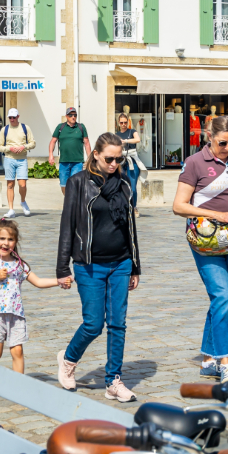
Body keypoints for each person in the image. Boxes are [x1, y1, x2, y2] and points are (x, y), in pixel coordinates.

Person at [172, 116, 228, 384]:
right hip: (205, 240)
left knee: (226, 301)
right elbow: (179, 206)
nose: (227, 148)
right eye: (222, 142)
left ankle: (208, 358)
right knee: (222, 295)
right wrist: (216, 215)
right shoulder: (194, 163)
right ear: (209, 136)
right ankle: (225, 362)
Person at [56, 131, 141, 403]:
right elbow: (67, 226)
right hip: (88, 265)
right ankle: (68, 360)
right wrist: (62, 268)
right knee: (93, 324)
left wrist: (135, 265)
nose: (114, 164)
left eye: (119, 159)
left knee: (118, 323)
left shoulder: (125, 182)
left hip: (121, 263)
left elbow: (130, 226)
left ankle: (113, 381)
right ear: (95, 155)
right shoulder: (78, 183)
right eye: (109, 159)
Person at [0, 219, 60, 397]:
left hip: (16, 315)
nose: (5, 243)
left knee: (17, 351)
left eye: (10, 239)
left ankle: (18, 388)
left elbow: (39, 281)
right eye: (2, 238)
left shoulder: (20, 265)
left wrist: (60, 281)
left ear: (15, 242)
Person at [0, 108, 35, 218]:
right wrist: (9, 148)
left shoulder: (25, 128)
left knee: (22, 184)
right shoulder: (5, 129)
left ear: (18, 117)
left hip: (22, 159)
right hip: (9, 159)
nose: (12, 119)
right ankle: (11, 209)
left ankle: (23, 201)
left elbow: (33, 143)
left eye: (14, 117)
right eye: (10, 117)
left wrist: (24, 147)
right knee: (10, 184)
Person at [50, 108, 91, 197]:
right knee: (63, 184)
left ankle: (73, 202)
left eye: (75, 115)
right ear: (66, 116)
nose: (73, 117)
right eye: (70, 115)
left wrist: (89, 159)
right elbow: (53, 141)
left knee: (75, 184)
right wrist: (50, 155)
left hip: (77, 162)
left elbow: (87, 143)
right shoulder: (60, 127)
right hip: (64, 162)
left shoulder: (81, 127)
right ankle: (68, 199)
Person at [115, 113, 140, 207]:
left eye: (125, 122)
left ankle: (134, 207)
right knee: (120, 185)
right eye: (121, 122)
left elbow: (137, 139)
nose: (123, 124)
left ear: (128, 122)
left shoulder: (132, 131)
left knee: (133, 187)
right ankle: (123, 205)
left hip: (132, 160)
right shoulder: (116, 134)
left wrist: (125, 141)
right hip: (121, 160)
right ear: (119, 123)